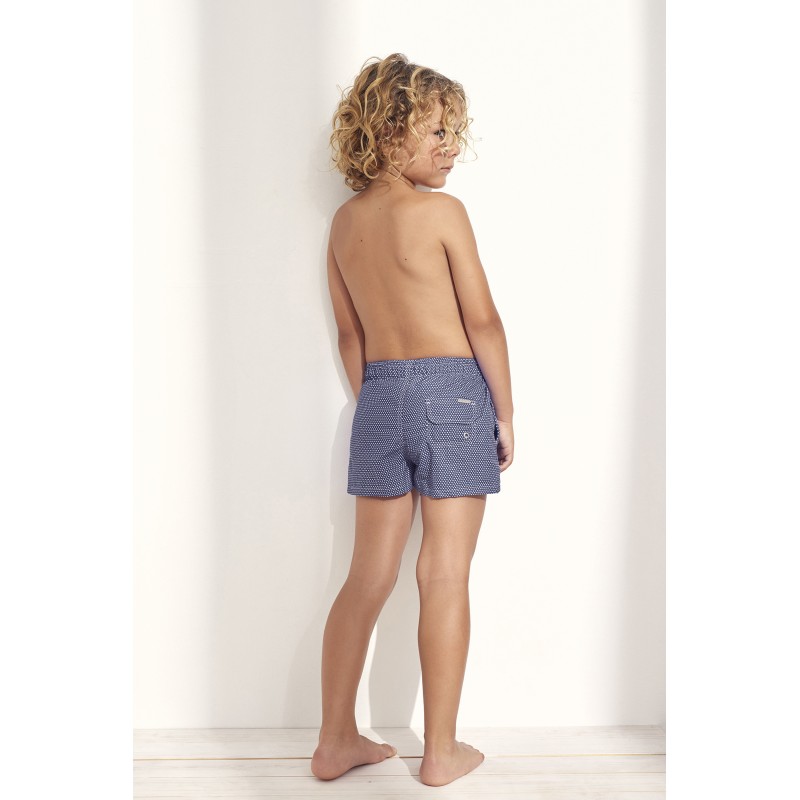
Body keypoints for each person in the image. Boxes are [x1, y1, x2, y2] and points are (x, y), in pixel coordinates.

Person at [311, 53, 514, 788]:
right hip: (454, 392)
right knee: (444, 572)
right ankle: (441, 751)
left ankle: (335, 740)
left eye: (456, 133)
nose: (451, 147)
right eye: (437, 132)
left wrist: (383, 402)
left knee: (367, 575)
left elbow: (350, 335)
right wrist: (505, 412)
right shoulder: (441, 215)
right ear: (388, 133)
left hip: (379, 395)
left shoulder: (343, 225)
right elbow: (482, 320)